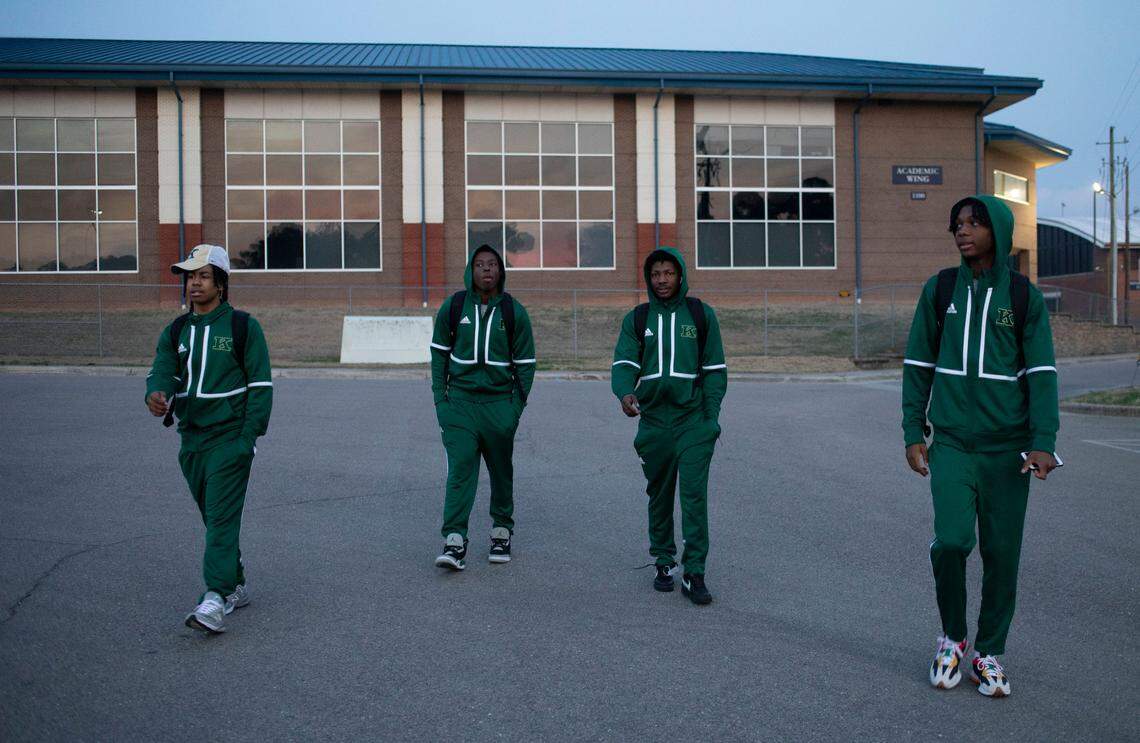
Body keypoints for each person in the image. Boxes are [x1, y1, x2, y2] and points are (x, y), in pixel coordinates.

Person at [902, 195, 1060, 697]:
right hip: (951, 442)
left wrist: (1044, 441)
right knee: (951, 542)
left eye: (974, 223)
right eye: (958, 224)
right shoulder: (941, 288)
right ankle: (952, 637)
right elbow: (918, 363)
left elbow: (1042, 373)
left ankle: (989, 653)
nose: (962, 231)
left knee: (1001, 553)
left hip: (1007, 449)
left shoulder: (1022, 296)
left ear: (999, 230)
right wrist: (912, 430)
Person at [145, 244, 273, 634]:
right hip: (192, 440)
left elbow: (262, 386)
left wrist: (247, 438)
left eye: (203, 275)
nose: (194, 283)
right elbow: (163, 369)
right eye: (190, 276)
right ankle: (235, 585)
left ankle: (214, 599)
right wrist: (156, 392)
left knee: (219, 516)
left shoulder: (242, 327)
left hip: (230, 438)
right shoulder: (177, 330)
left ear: (221, 282)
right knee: (215, 516)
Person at [611, 247, 727, 605]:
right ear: (649, 277)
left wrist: (710, 420)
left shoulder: (700, 314)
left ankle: (694, 572)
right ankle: (664, 560)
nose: (662, 280)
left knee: (694, 497)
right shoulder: (638, 318)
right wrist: (625, 393)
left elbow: (714, 371)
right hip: (654, 423)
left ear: (680, 276)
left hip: (693, 422)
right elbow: (624, 362)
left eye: (669, 273)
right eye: (656, 273)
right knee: (659, 495)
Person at [429, 244, 536, 570]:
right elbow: (438, 356)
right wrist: (441, 403)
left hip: (498, 407)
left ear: (501, 271)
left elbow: (527, 365)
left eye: (492, 264)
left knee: (501, 473)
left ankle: (501, 531)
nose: (486, 270)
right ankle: (454, 541)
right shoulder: (454, 306)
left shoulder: (513, 312)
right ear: (471, 271)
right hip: (459, 405)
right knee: (460, 471)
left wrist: (513, 410)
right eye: (479, 264)